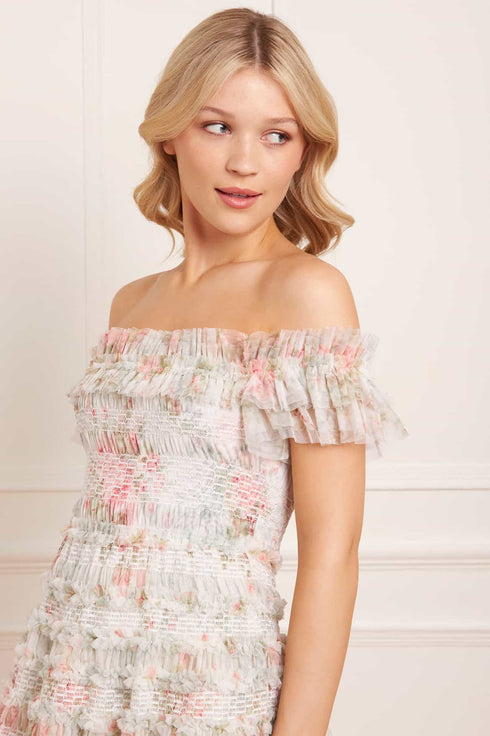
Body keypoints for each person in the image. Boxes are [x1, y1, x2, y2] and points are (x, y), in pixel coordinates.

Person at [0, 8, 409, 736]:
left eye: (277, 135)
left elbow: (332, 555)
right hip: (69, 672)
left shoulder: (307, 296)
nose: (245, 162)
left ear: (303, 153)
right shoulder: (132, 304)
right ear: (171, 132)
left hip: (208, 689)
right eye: (217, 126)